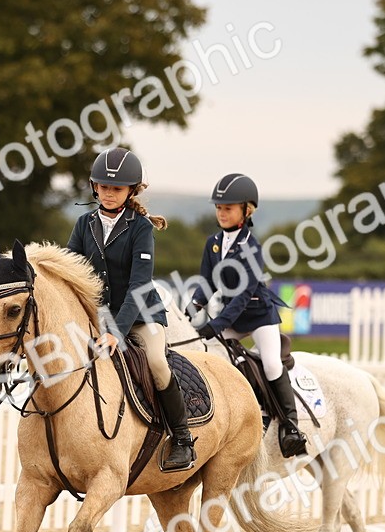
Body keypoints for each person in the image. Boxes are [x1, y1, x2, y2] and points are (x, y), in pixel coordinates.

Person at [65, 147, 195, 472]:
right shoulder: (84, 224)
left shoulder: (141, 228)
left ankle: (182, 437)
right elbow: (68, 269)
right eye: (104, 187)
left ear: (130, 191)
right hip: (99, 318)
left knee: (156, 362)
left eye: (117, 188)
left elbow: (138, 286)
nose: (109, 193)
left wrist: (115, 333)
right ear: (95, 187)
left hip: (140, 317)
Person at [189, 173, 307, 459]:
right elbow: (207, 283)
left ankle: (291, 427)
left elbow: (243, 295)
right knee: (217, 360)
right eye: (218, 207)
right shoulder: (213, 243)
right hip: (232, 318)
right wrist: (192, 308)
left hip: (258, 316)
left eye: (227, 208)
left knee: (270, 365)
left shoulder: (251, 246)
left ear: (246, 210)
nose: (221, 213)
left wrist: (216, 324)